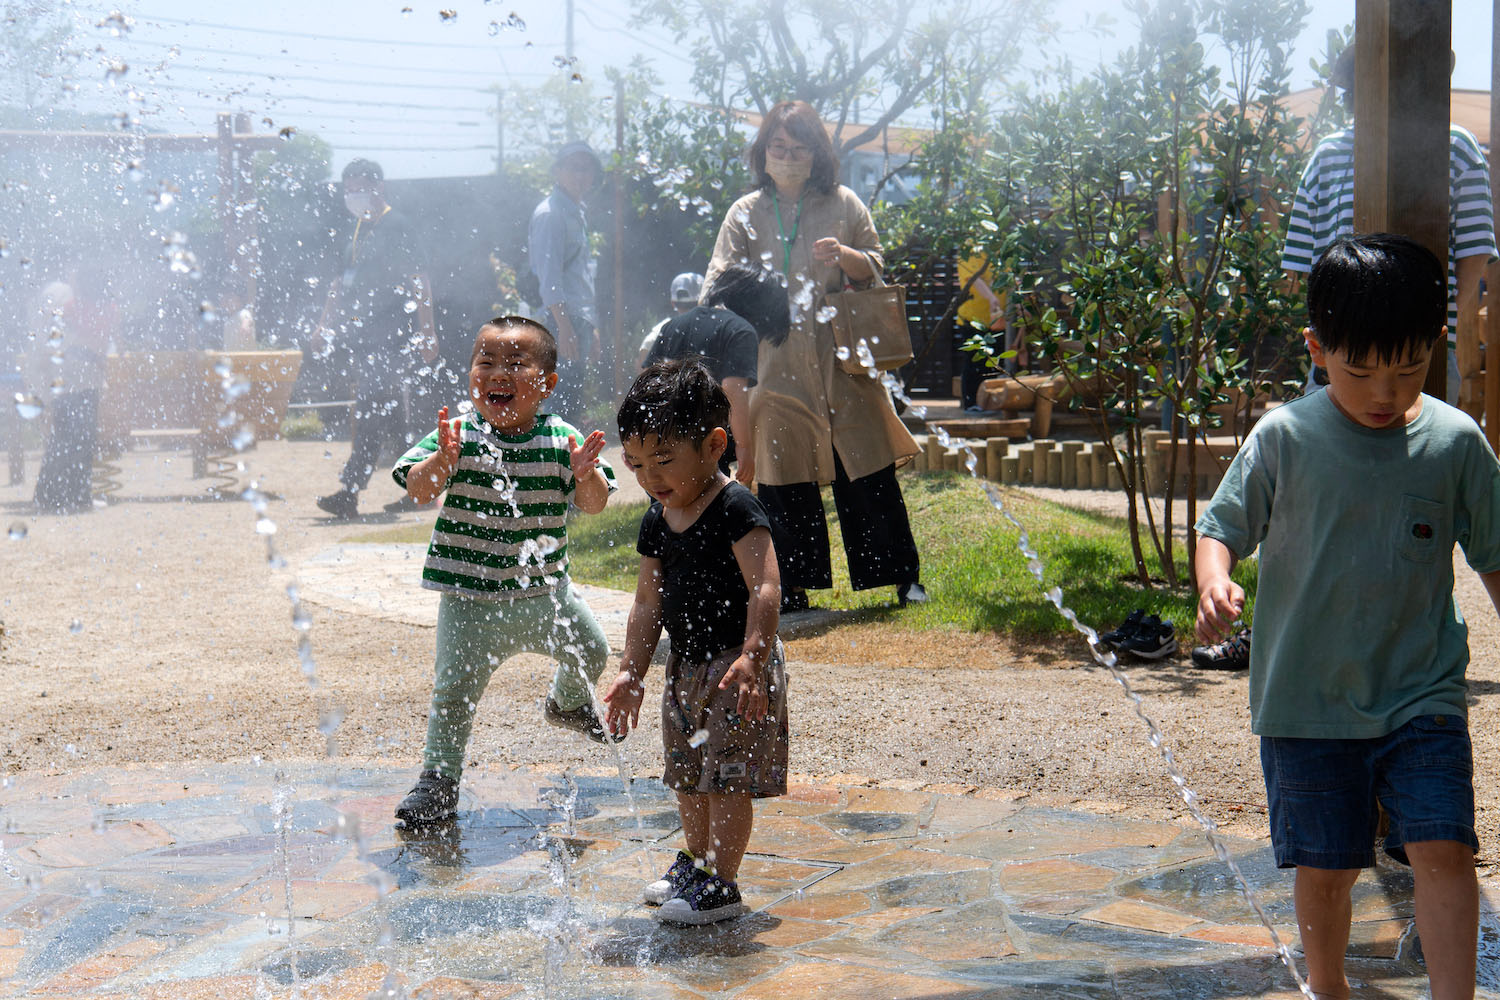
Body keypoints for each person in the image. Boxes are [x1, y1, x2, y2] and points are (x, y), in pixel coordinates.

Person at [1195, 234, 1500, 1000]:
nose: (1384, 393)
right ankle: (1328, 988)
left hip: (1421, 695)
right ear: (1317, 348)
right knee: (1327, 866)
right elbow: (1221, 528)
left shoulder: (1456, 444)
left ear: (1435, 346)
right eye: (1360, 369)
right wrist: (1214, 583)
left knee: (1444, 849)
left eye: (1408, 368)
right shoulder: (1285, 437)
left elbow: (1495, 555)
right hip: (1308, 702)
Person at [389, 315, 621, 829]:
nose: (498, 373)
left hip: (545, 597)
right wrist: (439, 466)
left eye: (516, 364)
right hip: (469, 599)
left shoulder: (563, 439)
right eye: (486, 361)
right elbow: (418, 489)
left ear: (547, 383)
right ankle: (438, 783)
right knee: (452, 696)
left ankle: (567, 703)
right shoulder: (457, 435)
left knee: (593, 650)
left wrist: (586, 477)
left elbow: (595, 503)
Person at [705, 99, 923, 612]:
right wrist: (757, 286)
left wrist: (848, 257)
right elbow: (716, 281)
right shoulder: (744, 212)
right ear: (763, 152)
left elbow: (876, 266)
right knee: (784, 479)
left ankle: (901, 579)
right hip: (773, 364)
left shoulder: (844, 202)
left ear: (816, 152)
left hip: (841, 359)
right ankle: (794, 587)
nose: (787, 156)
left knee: (868, 470)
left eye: (798, 148)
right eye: (778, 147)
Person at [604, 358, 786, 925]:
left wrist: (755, 657)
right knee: (687, 769)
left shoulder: (735, 507)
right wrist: (631, 671)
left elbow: (766, 584)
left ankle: (723, 882)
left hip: (737, 663)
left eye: (663, 460)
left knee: (726, 774)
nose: (650, 478)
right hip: (685, 667)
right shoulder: (657, 517)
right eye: (635, 464)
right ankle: (698, 861)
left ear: (713, 445)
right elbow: (646, 602)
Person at [1281, 44, 1496, 414]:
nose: (1400, 87)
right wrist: (1328, 341)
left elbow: (1475, 256)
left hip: (1420, 355)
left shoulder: (1457, 146)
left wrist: (1428, 328)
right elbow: (1299, 269)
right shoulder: (1327, 153)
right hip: (1341, 355)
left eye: (1411, 77)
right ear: (1357, 88)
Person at [313, 159, 439, 520]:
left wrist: (427, 331)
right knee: (392, 417)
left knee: (371, 413)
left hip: (394, 336)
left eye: (361, 187)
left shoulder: (397, 226)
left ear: (379, 187)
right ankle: (421, 488)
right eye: (349, 189)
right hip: (364, 338)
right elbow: (340, 283)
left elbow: (420, 279)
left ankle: (350, 492)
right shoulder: (354, 229)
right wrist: (323, 326)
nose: (354, 195)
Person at [644, 264, 791, 486]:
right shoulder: (741, 330)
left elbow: (646, 380)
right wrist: (744, 447)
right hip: (702, 446)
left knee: (669, 511)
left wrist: (638, 439)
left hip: (661, 443)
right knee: (709, 509)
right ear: (760, 314)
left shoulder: (674, 324)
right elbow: (732, 391)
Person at [29, 265, 115, 514]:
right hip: (83, 378)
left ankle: (53, 497)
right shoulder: (102, 308)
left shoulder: (75, 306)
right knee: (79, 440)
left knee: (66, 439)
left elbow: (62, 340)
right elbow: (97, 343)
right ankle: (73, 497)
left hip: (68, 379)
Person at [528, 141, 602, 421]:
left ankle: (569, 462)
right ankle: (556, 462)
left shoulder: (576, 210)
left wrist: (589, 325)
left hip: (575, 318)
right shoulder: (550, 214)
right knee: (561, 399)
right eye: (574, 168)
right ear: (557, 171)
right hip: (559, 318)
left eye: (587, 169)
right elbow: (549, 277)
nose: (581, 176)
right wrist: (564, 327)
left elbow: (581, 275)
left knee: (573, 397)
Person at [955, 253, 1009, 413]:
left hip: (997, 319)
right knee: (975, 362)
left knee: (994, 362)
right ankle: (971, 403)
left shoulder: (999, 249)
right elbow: (973, 279)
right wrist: (991, 297)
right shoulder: (971, 249)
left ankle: (990, 402)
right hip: (973, 319)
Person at [636, 272, 703, 370]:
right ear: (702, 301)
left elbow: (645, 351)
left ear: (673, 303)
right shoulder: (713, 327)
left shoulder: (664, 328)